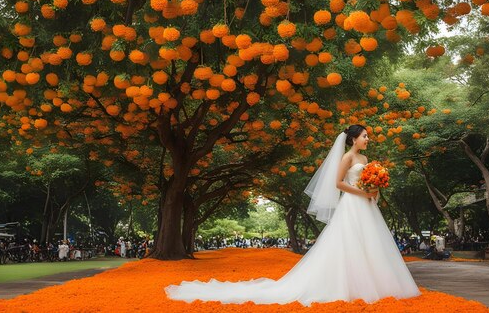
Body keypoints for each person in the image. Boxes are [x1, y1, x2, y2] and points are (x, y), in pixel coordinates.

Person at [165, 125, 421, 306]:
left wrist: (373, 190)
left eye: (368, 137)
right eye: (365, 136)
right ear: (354, 139)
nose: (368, 140)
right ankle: (351, 286)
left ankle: (378, 284)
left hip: (367, 204)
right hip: (353, 205)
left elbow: (364, 181)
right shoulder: (348, 156)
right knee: (350, 245)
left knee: (372, 245)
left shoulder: (365, 157)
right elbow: (337, 184)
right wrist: (361, 192)